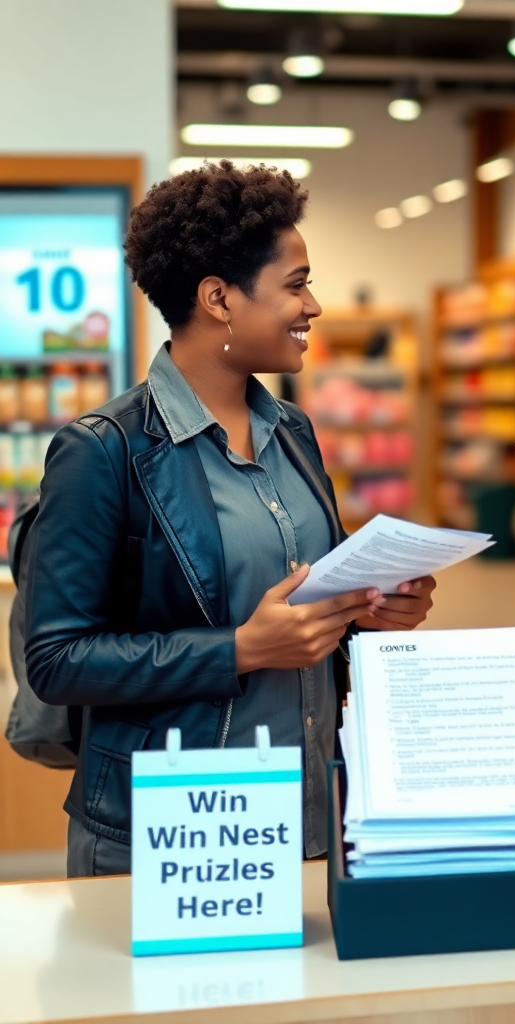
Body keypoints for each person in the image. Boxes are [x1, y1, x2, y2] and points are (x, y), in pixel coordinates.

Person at [25, 161, 437, 877]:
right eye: (296, 284)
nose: (313, 306)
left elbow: (310, 601)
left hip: (311, 810)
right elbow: (57, 660)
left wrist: (368, 611)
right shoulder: (104, 450)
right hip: (175, 839)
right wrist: (239, 649)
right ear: (219, 298)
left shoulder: (292, 432)